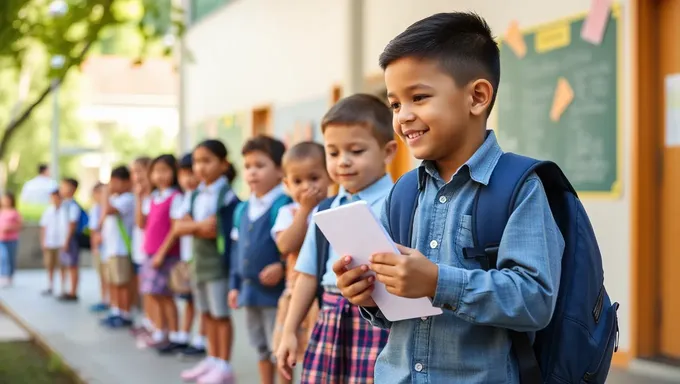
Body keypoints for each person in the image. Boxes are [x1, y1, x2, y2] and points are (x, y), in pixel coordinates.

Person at [333, 13, 565, 384]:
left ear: (477, 97)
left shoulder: (519, 188)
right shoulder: (404, 192)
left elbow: (535, 300)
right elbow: (399, 307)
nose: (404, 116)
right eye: (394, 104)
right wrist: (370, 296)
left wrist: (439, 282)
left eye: (419, 97)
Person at [276, 94, 397, 383]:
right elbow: (306, 274)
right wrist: (289, 330)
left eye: (355, 150)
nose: (343, 161)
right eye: (332, 152)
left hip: (381, 324)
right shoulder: (326, 209)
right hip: (329, 317)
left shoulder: (401, 203)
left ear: (388, 152)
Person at [228, 135, 292, 384]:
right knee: (260, 348)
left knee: (280, 351)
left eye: (260, 165)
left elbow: (297, 249)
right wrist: (234, 284)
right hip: (250, 292)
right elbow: (236, 251)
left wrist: (282, 267)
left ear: (279, 170)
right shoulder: (242, 209)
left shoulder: (284, 204)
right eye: (248, 166)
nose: (252, 172)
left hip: (276, 296)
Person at [177, 139, 239, 384]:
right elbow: (179, 226)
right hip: (198, 263)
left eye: (207, 161)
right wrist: (197, 226)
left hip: (217, 265)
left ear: (223, 164)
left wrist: (193, 226)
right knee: (207, 314)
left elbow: (215, 229)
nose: (200, 167)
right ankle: (213, 358)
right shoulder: (195, 194)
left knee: (220, 315)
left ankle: (224, 364)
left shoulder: (226, 195)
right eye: (196, 162)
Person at [271, 142, 331, 376]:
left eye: (314, 178)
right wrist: (305, 211)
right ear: (286, 184)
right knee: (284, 352)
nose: (306, 187)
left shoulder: (334, 208)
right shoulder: (289, 213)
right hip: (293, 295)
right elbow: (285, 245)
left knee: (315, 357)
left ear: (329, 176)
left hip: (322, 298)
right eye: (297, 181)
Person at [139, 154, 185, 354]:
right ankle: (160, 330)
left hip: (166, 256)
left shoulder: (176, 198)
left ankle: (173, 334)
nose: (160, 176)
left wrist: (161, 253)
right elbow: (142, 224)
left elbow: (174, 230)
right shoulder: (152, 198)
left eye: (165, 170)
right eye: (156, 171)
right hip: (150, 253)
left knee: (166, 296)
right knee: (154, 294)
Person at [172, 153, 207, 359]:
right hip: (187, 257)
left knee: (201, 303)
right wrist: (193, 225)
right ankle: (185, 335)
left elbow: (203, 227)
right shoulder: (187, 198)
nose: (188, 179)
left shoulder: (202, 196)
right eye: (184, 174)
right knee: (190, 300)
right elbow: (178, 227)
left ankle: (200, 339)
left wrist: (190, 225)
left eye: (191, 174)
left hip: (200, 258)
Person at [100, 166, 136, 328]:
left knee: (122, 283)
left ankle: (125, 312)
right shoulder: (116, 198)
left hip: (121, 249)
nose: (113, 185)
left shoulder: (128, 199)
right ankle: (116, 310)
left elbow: (108, 210)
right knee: (114, 282)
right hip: (112, 249)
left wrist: (106, 192)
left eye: (116, 182)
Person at [131, 156, 154, 338]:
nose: (137, 176)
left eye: (140, 171)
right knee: (145, 289)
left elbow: (141, 223)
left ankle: (156, 326)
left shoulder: (153, 197)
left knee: (154, 292)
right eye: (134, 172)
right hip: (141, 249)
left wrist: (139, 198)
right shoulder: (142, 196)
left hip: (151, 250)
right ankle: (148, 321)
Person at [57, 177, 82, 301]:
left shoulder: (72, 206)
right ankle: (66, 289)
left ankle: (73, 292)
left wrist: (67, 240)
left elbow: (72, 225)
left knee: (72, 265)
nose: (61, 189)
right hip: (65, 240)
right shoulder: (64, 204)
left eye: (64, 186)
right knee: (66, 265)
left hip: (70, 240)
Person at [89, 183, 109, 312]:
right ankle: (104, 299)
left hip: (109, 248)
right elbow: (93, 230)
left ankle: (110, 301)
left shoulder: (107, 208)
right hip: (99, 248)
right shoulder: (95, 209)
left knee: (109, 277)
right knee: (101, 276)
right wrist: (94, 247)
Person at [39, 189, 64, 296]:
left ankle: (63, 288)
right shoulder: (48, 211)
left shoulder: (65, 210)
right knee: (50, 265)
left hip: (61, 243)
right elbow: (43, 227)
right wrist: (43, 241)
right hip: (50, 242)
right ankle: (50, 286)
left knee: (62, 265)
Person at [0, 193, 22, 287]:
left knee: (10, 258)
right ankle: (3, 275)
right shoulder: (1, 211)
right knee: (3, 257)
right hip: (1, 239)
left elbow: (20, 225)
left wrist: (10, 227)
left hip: (11, 239)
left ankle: (10, 276)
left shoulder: (15, 212)